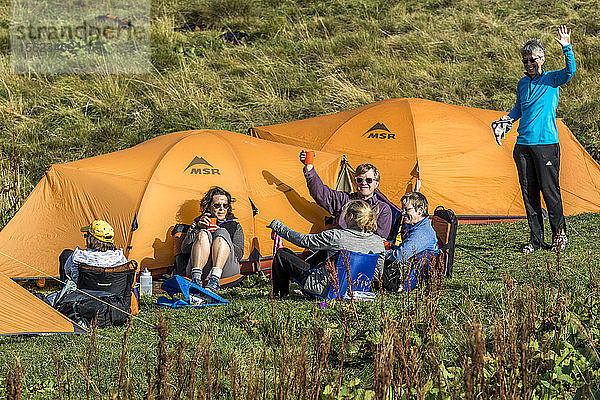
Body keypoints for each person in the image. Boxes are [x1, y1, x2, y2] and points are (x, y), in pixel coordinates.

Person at [493, 25, 575, 253]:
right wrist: (506, 120)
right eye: (525, 61)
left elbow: (570, 71)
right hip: (523, 146)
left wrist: (567, 47)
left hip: (546, 145)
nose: (528, 64)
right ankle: (536, 239)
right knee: (529, 194)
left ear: (542, 59)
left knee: (550, 191)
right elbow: (519, 108)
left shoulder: (552, 79)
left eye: (532, 60)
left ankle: (560, 236)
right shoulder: (522, 84)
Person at [269, 199, 385, 298]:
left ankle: (279, 295)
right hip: (358, 290)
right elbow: (376, 274)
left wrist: (279, 228)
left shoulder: (337, 236)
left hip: (327, 289)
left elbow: (304, 241)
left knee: (282, 254)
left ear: (350, 217)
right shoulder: (378, 242)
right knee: (325, 252)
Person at [300, 151, 392, 239]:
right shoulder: (344, 199)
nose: (364, 183)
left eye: (369, 180)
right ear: (355, 182)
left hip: (363, 252)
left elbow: (379, 239)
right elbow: (320, 193)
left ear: (376, 184)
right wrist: (309, 168)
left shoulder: (383, 209)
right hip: (337, 248)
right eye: (360, 180)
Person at [181, 186, 244, 292]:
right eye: (217, 205)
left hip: (225, 270)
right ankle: (196, 280)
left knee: (222, 232)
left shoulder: (234, 226)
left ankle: (214, 280)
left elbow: (239, 254)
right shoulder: (199, 223)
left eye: (225, 205)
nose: (221, 209)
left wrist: (223, 237)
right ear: (209, 207)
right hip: (201, 269)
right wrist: (197, 228)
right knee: (203, 233)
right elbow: (185, 250)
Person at [383, 192, 439, 291]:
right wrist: (391, 246)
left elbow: (400, 256)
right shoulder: (418, 226)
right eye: (402, 209)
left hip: (404, 281)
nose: (402, 212)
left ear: (420, 211)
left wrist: (381, 252)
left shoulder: (422, 232)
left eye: (407, 209)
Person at [60, 220, 128, 284]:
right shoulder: (120, 258)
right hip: (114, 292)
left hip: (83, 292)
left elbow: (68, 273)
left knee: (66, 253)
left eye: (86, 236)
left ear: (90, 239)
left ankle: (62, 287)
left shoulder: (78, 257)